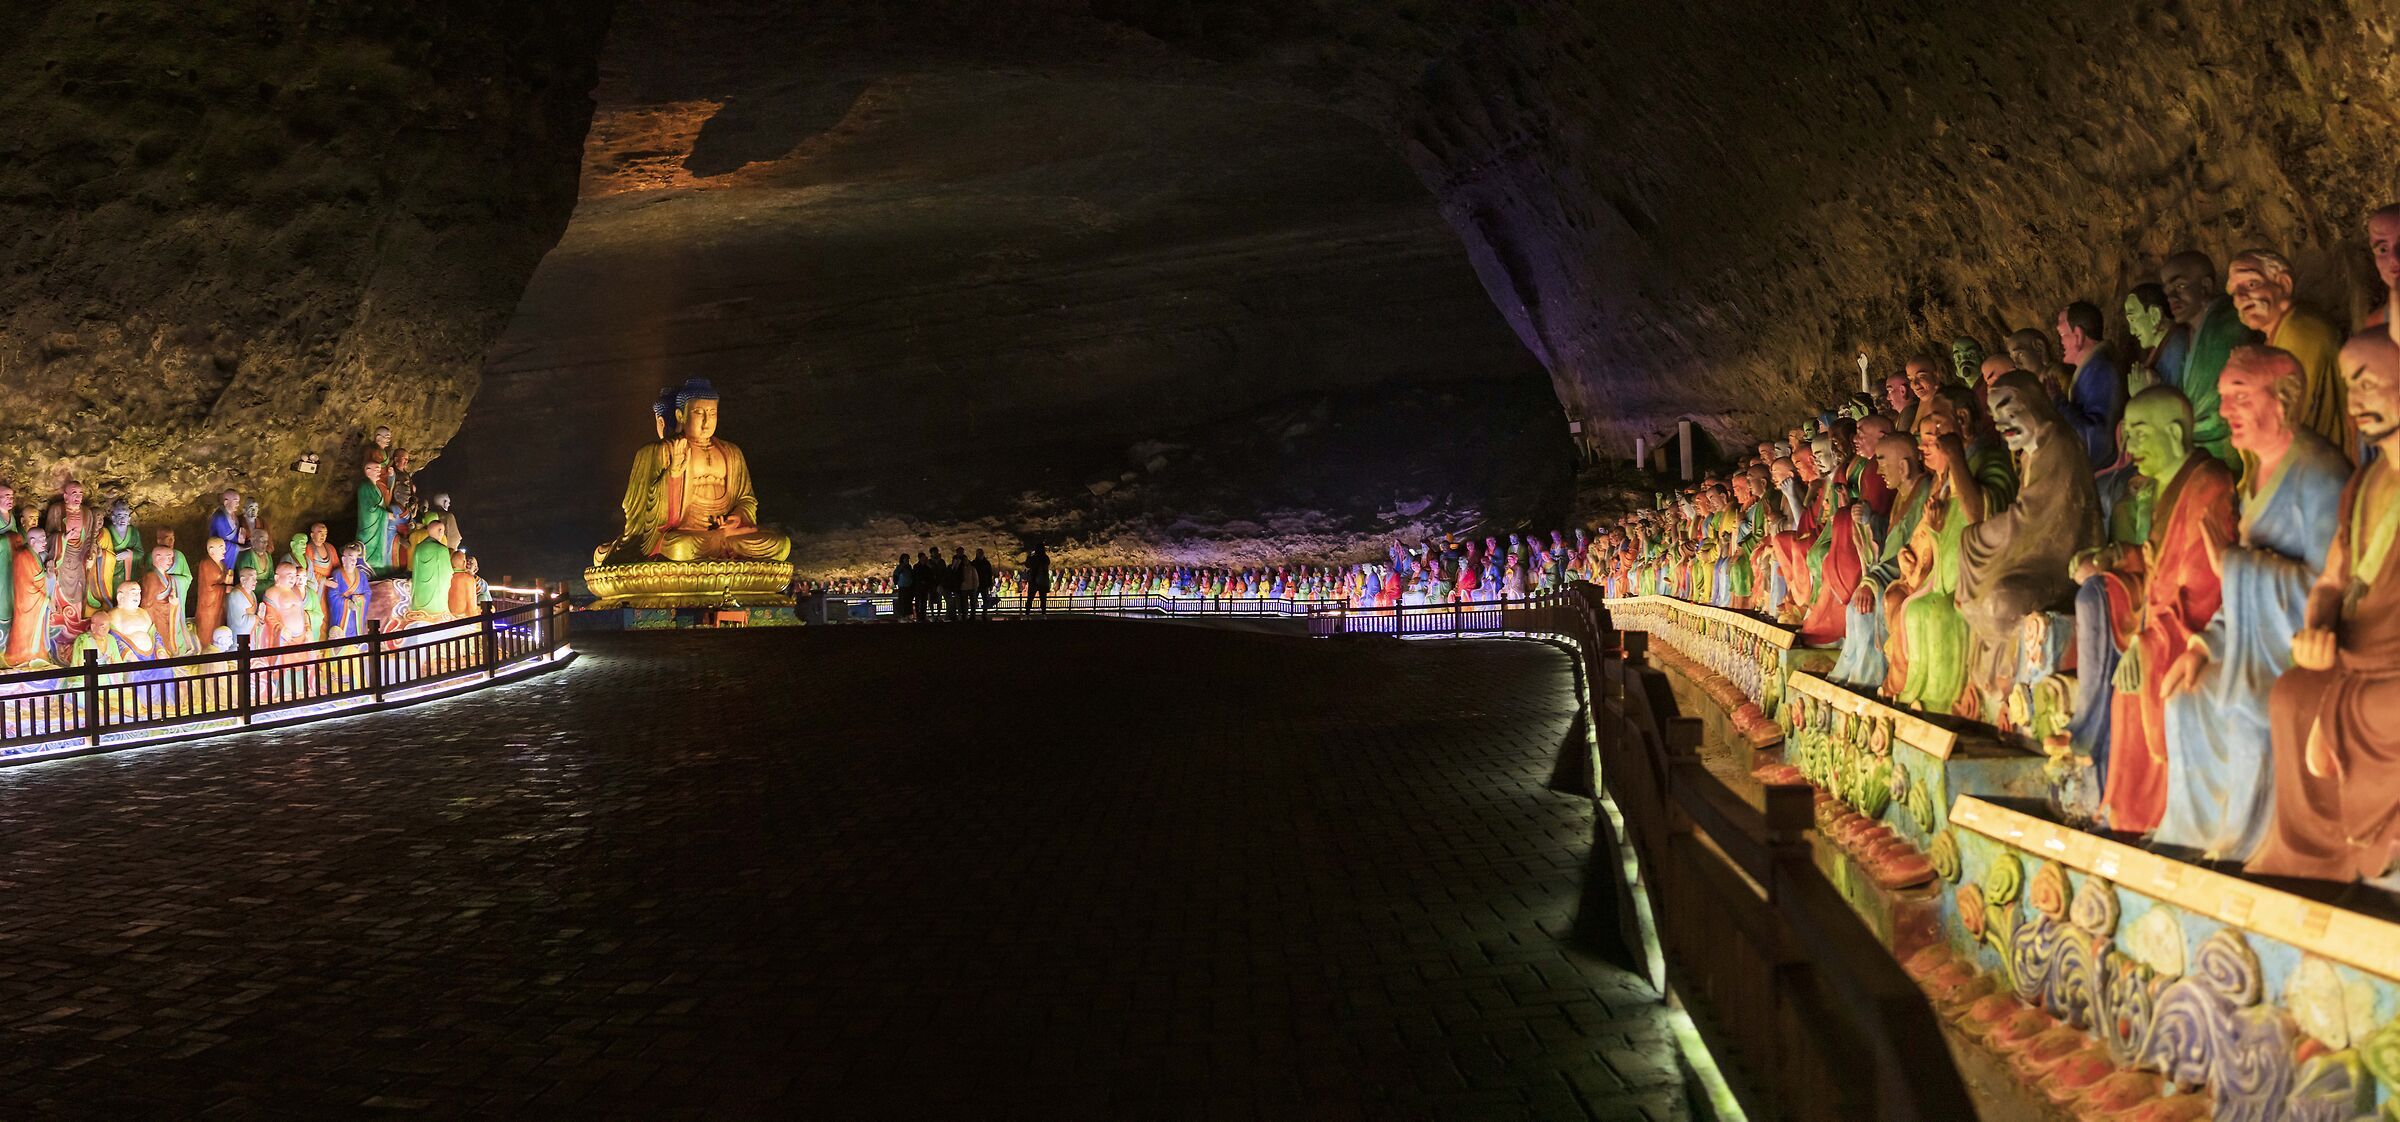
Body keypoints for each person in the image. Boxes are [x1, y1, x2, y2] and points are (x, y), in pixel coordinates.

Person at [1024, 542, 1052, 613]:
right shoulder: (1045, 558)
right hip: (1042, 580)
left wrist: (1029, 556)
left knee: (1030, 597)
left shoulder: (1034, 557)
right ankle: (1043, 611)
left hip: (1033, 579)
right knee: (1043, 598)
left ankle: (1027, 611)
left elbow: (1027, 564)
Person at [891, 552, 915, 622]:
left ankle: (908, 615)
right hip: (902, 586)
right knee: (903, 601)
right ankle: (903, 615)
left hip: (909, 586)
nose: (907, 560)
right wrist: (896, 583)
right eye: (906, 559)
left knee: (908, 601)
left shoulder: (909, 567)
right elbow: (895, 575)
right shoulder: (900, 567)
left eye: (908, 559)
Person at [972, 549, 995, 617]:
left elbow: (989, 574)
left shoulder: (986, 563)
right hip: (976, 584)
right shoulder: (974, 563)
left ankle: (984, 614)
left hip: (984, 584)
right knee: (974, 600)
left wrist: (990, 584)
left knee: (985, 600)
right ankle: (973, 614)